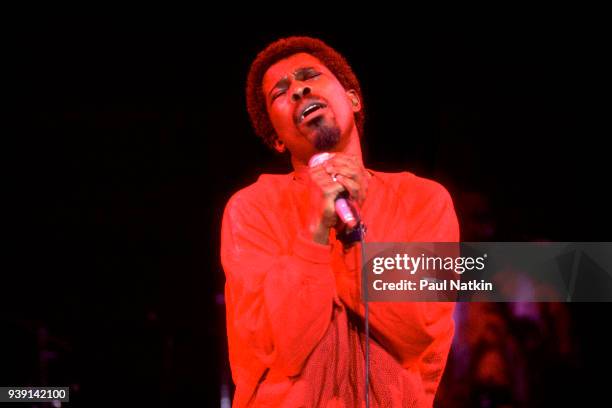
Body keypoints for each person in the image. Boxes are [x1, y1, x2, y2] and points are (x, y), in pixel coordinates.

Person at [221, 36, 459, 407]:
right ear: (276, 140)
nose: (298, 89)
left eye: (308, 76)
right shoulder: (252, 209)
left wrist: (352, 243)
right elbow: (281, 347)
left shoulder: (424, 201)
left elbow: (417, 327)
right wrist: (314, 233)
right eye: (279, 93)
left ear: (353, 99)